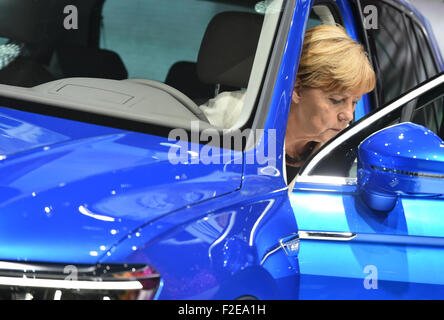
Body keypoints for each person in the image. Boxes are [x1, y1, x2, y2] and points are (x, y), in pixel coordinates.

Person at [201, 24, 376, 183]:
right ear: (297, 89)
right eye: (336, 100)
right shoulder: (233, 113)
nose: (348, 115)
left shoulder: (347, 150)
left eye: (354, 102)